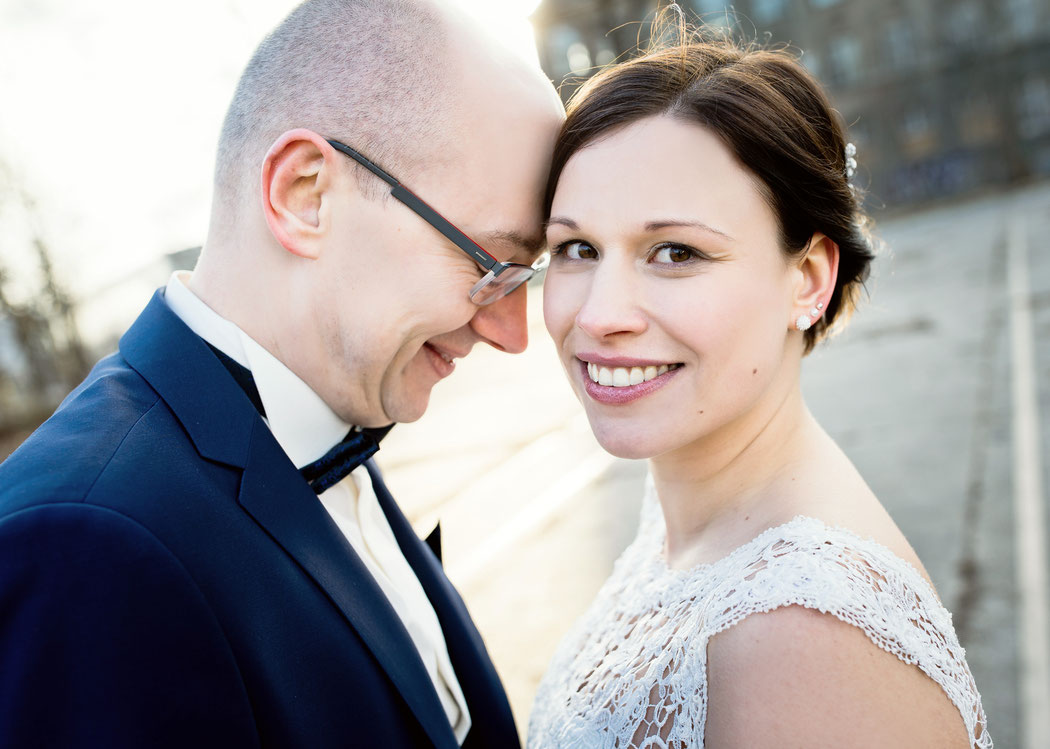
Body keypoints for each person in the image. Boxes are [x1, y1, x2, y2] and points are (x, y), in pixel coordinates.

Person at [0, 1, 562, 747]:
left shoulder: (331, 408)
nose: (512, 332)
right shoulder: (84, 547)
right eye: (491, 264)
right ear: (306, 195)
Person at [526, 30, 991, 749]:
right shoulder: (693, 511)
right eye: (577, 249)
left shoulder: (808, 641)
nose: (599, 315)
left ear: (807, 279)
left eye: (675, 252)